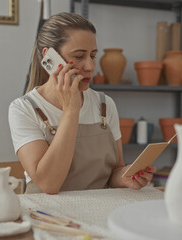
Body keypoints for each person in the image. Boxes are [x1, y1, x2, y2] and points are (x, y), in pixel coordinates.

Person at [9, 12, 155, 194]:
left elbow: (114, 173)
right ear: (49, 58)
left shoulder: (104, 104)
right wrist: (71, 109)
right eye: (79, 56)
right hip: (47, 216)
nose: (90, 66)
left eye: (93, 56)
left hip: (96, 211)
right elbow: (48, 184)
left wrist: (126, 175)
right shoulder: (24, 108)